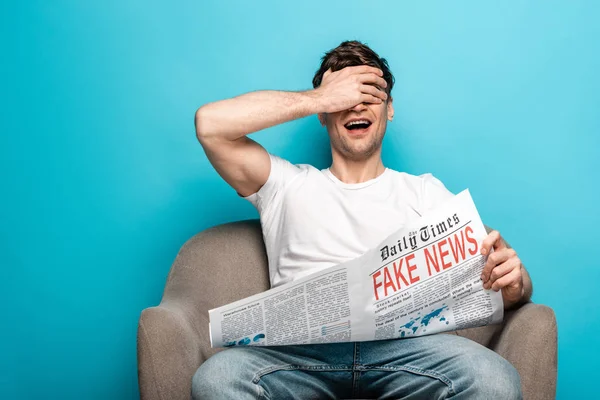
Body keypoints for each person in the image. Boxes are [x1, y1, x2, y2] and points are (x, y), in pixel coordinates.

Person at [191, 40, 532, 399]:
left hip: (406, 352)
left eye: (370, 94)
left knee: (494, 379)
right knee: (216, 378)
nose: (356, 104)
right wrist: (319, 97)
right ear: (323, 114)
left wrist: (516, 283)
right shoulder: (285, 184)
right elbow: (209, 124)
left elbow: (509, 285)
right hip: (299, 356)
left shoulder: (426, 193)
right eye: (344, 95)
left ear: (389, 109)